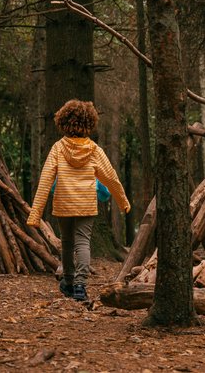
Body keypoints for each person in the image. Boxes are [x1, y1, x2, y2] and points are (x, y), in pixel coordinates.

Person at [27, 100, 130, 301]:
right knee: (83, 242)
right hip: (86, 204)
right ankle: (80, 286)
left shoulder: (58, 148)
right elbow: (111, 178)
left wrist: (35, 214)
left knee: (66, 243)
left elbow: (46, 179)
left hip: (63, 204)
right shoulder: (94, 150)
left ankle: (68, 281)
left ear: (63, 122)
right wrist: (122, 201)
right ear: (89, 123)